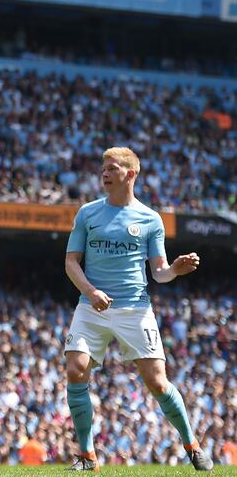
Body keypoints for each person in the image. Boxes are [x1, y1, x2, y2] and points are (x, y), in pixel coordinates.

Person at [63, 147, 213, 471]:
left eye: (112, 168)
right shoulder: (87, 214)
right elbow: (70, 262)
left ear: (130, 175)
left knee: (157, 382)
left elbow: (158, 272)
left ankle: (192, 445)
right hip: (92, 305)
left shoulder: (150, 219)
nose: (104, 172)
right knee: (75, 368)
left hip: (135, 307)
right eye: (103, 167)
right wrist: (90, 291)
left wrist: (174, 268)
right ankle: (87, 455)